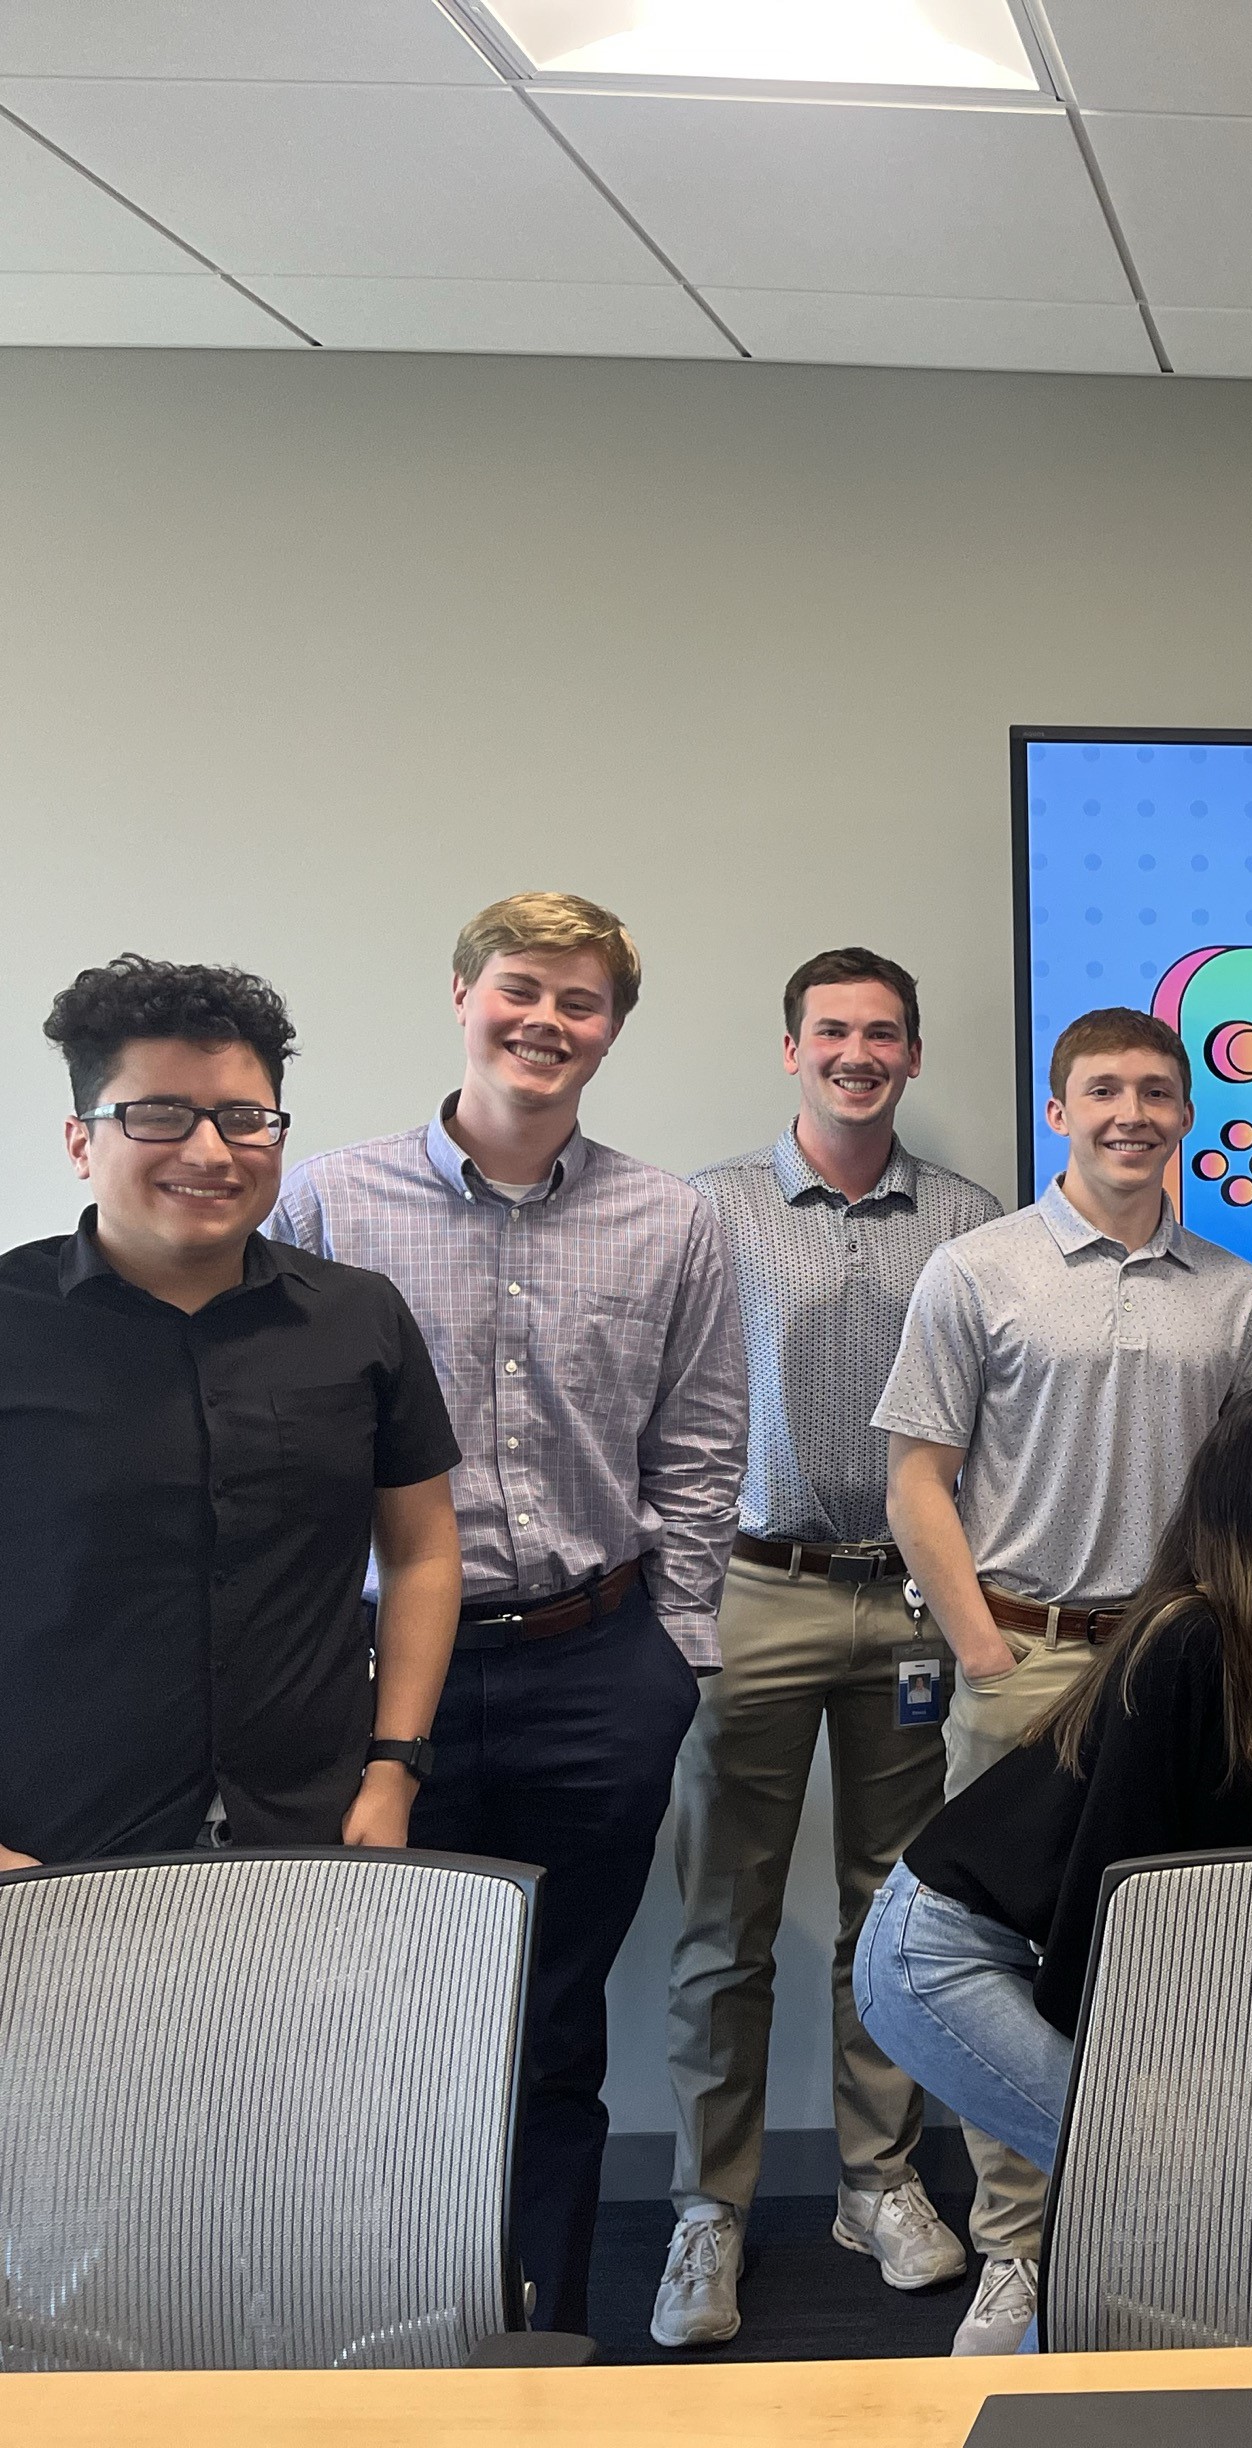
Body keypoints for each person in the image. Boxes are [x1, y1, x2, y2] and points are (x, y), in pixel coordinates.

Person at [268, 892, 746, 2338]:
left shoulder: (671, 1219)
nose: (547, 1021)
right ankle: (386, 2325)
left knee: (553, 2020)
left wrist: (675, 1655)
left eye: (581, 1002)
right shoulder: (332, 1204)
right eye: (521, 989)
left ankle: (540, 2336)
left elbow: (705, 1447)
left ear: (610, 1031)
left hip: (599, 1664)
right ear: (465, 993)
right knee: (386, 2018)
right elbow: (285, 1444)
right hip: (376, 1683)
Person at [875, 1003, 1252, 2353]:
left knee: (1162, 1957)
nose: (1131, 1113)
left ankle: (1147, 2236)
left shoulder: (1231, 1292)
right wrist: (984, 1649)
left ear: (1188, 1116)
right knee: (1005, 1956)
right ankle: (1018, 2255)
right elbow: (916, 1478)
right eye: (1103, 1091)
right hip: (1025, 1658)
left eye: (1157, 1092)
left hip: (1175, 1674)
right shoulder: (977, 1271)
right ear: (1059, 1113)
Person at [652, 950, 1004, 2349]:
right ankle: (708, 2209)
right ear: (791, 1049)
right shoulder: (708, 1213)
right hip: (757, 1586)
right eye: (833, 1032)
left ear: (913, 1057)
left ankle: (876, 2179)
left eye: (884, 1034)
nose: (859, 1053)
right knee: (724, 1920)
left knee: (893, 1913)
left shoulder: (973, 1224)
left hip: (918, 1598)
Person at [854, 1382, 1252, 2177]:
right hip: (948, 1950)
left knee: (1197, 2177)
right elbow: (1115, 1878)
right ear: (1237, 1498)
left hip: (1058, 1939)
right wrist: (1146, 2081)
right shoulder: (1187, 1638)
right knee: (1141, 2175)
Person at [2, 956, 461, 1870]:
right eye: (159, 1114)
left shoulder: (359, 1316)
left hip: (310, 1824)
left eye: (244, 1119)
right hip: (50, 1837)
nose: (210, 1151)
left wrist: (392, 1773)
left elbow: (421, 1551)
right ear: (81, 1141)